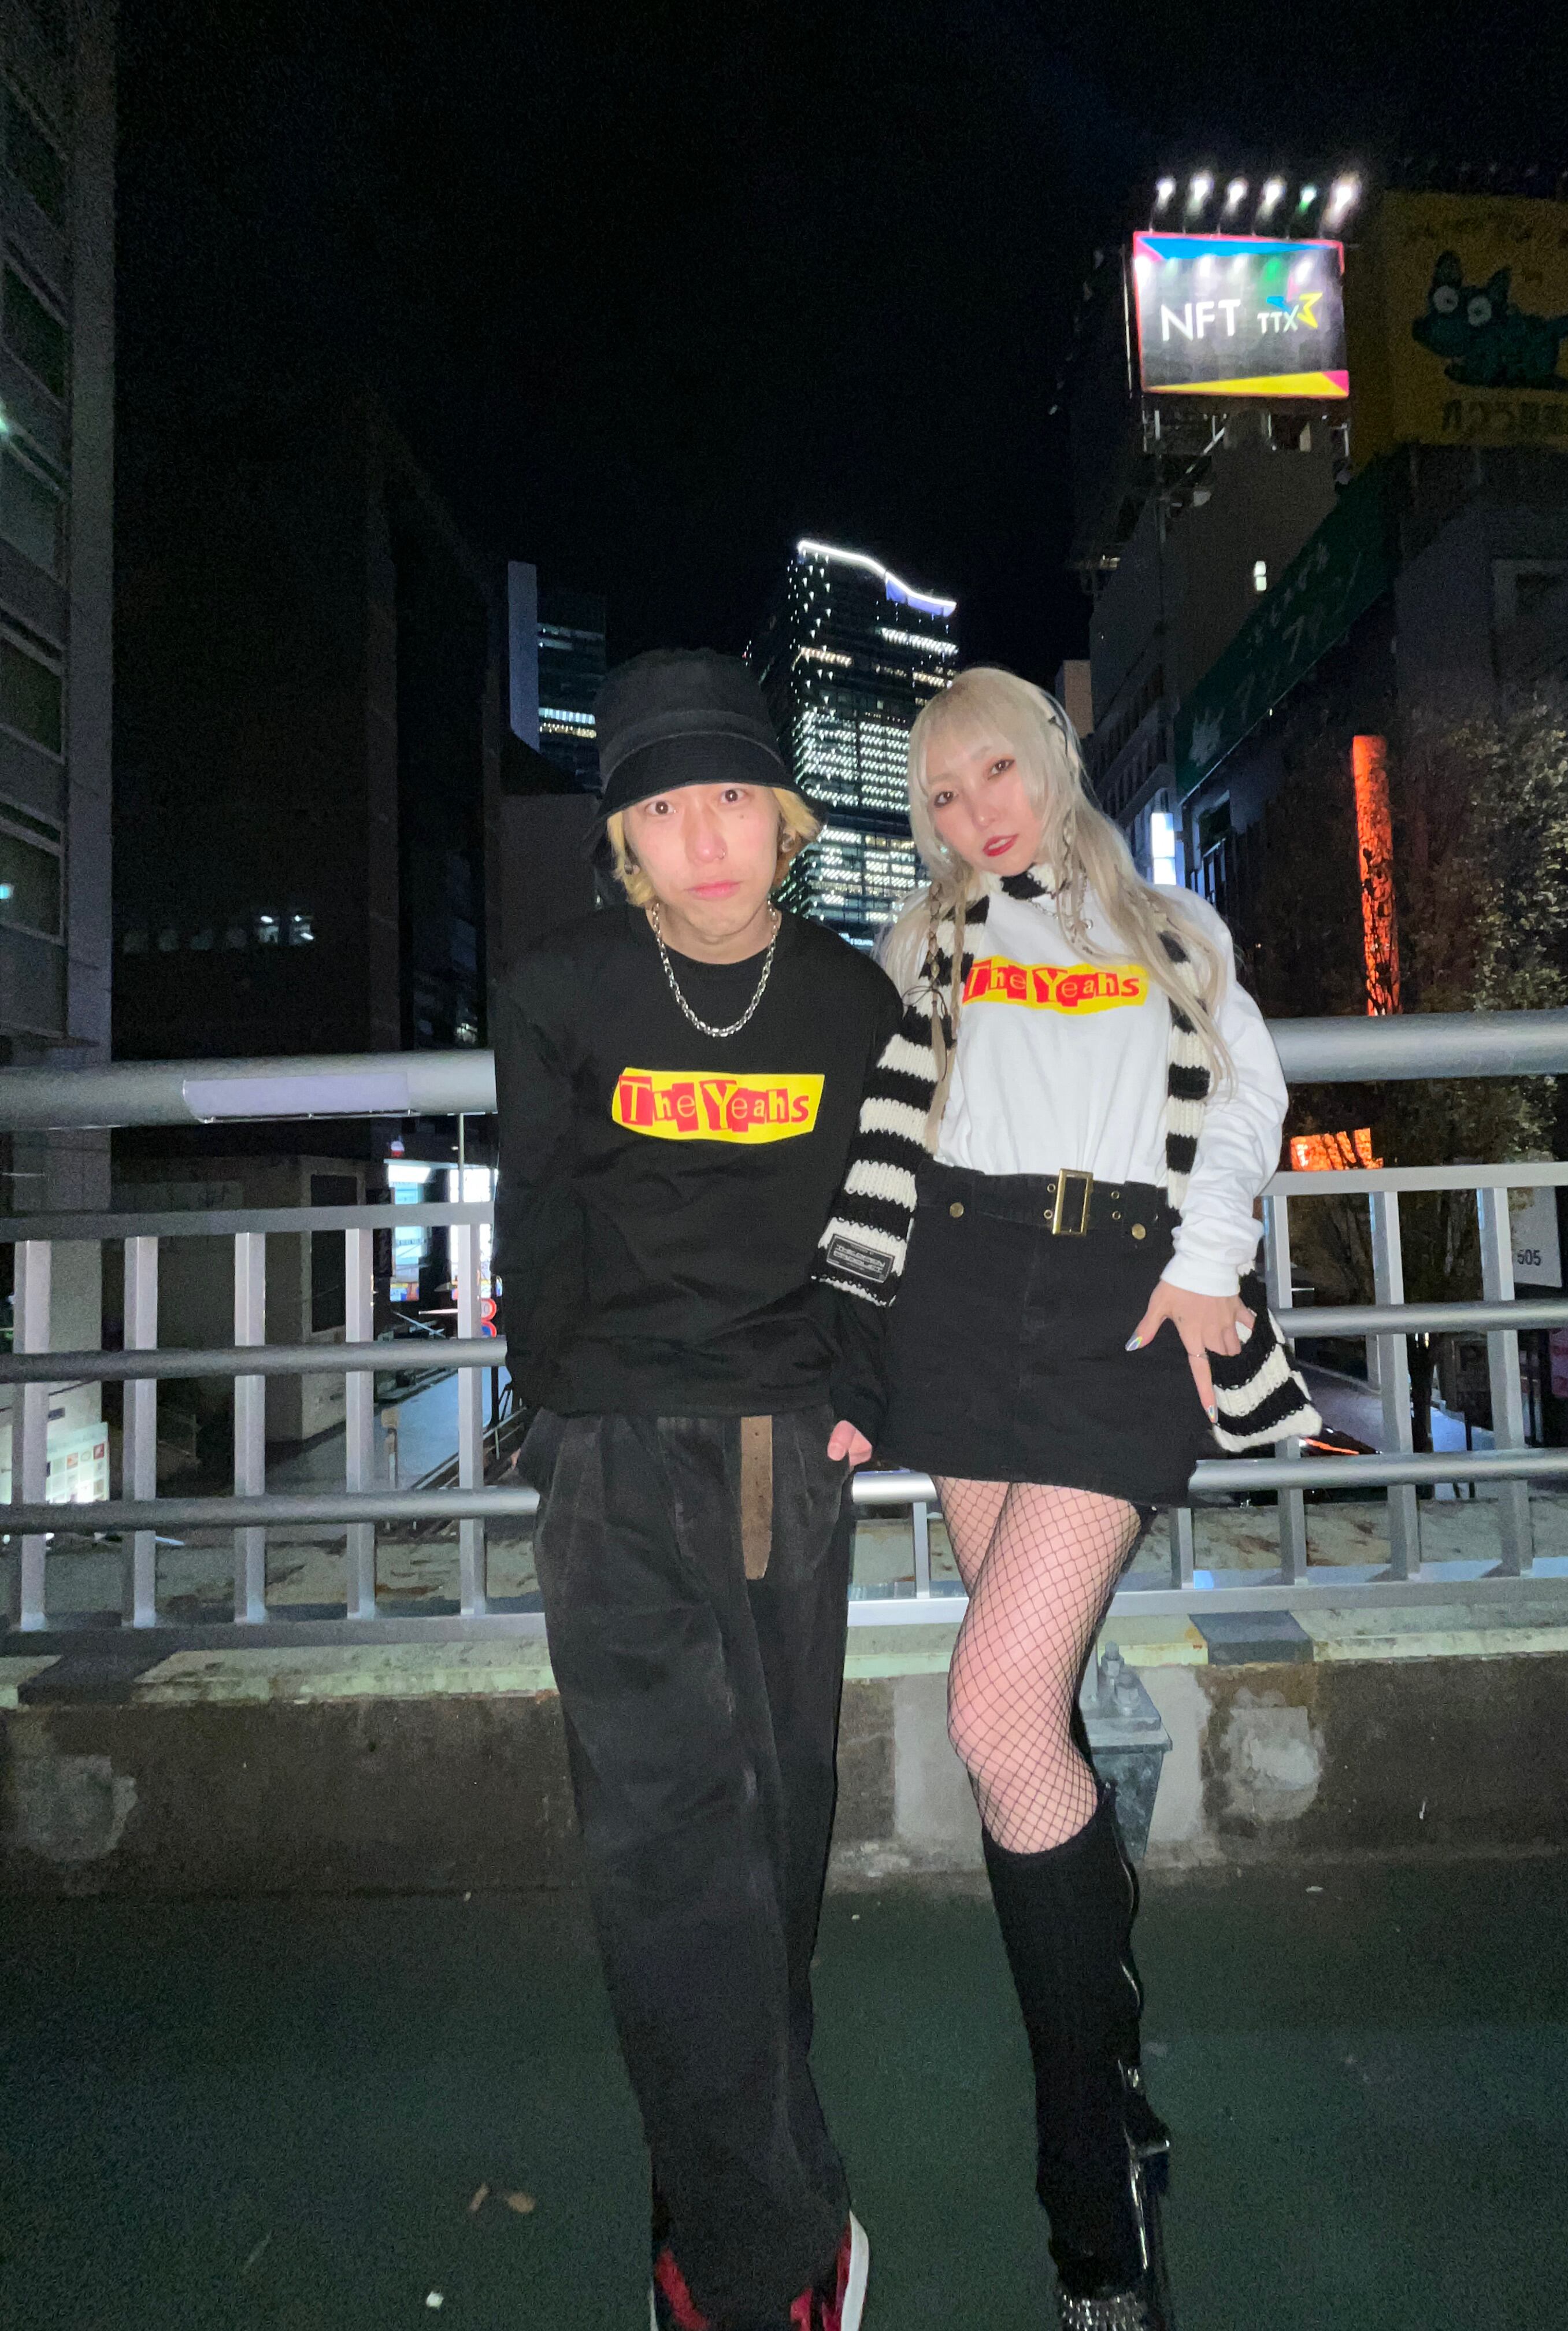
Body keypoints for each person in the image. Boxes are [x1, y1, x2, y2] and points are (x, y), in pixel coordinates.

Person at [814, 665, 1319, 2331]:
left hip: (1121, 1306)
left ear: (1051, 758)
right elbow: (865, 1131)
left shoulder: (1171, 929)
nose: (975, 816)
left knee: (997, 1710)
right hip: (962, 1306)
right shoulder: (923, 945)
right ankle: (1115, 2072)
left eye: (995, 776)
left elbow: (1245, 1103)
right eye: (940, 798)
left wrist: (1207, 1263)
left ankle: (1090, 2207)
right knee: (1029, 1723)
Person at [494, 649, 898, 2331]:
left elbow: (886, 1215)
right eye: (665, 809)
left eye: (734, 797)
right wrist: (557, 1414)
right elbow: (537, 1222)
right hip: (609, 1446)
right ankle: (755, 2260)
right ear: (626, 843)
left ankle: (721, 2168)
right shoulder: (558, 989)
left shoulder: (853, 1001)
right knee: (667, 1843)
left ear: (785, 819)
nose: (706, 836)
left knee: (777, 1826)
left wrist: (857, 1391)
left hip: (782, 1444)